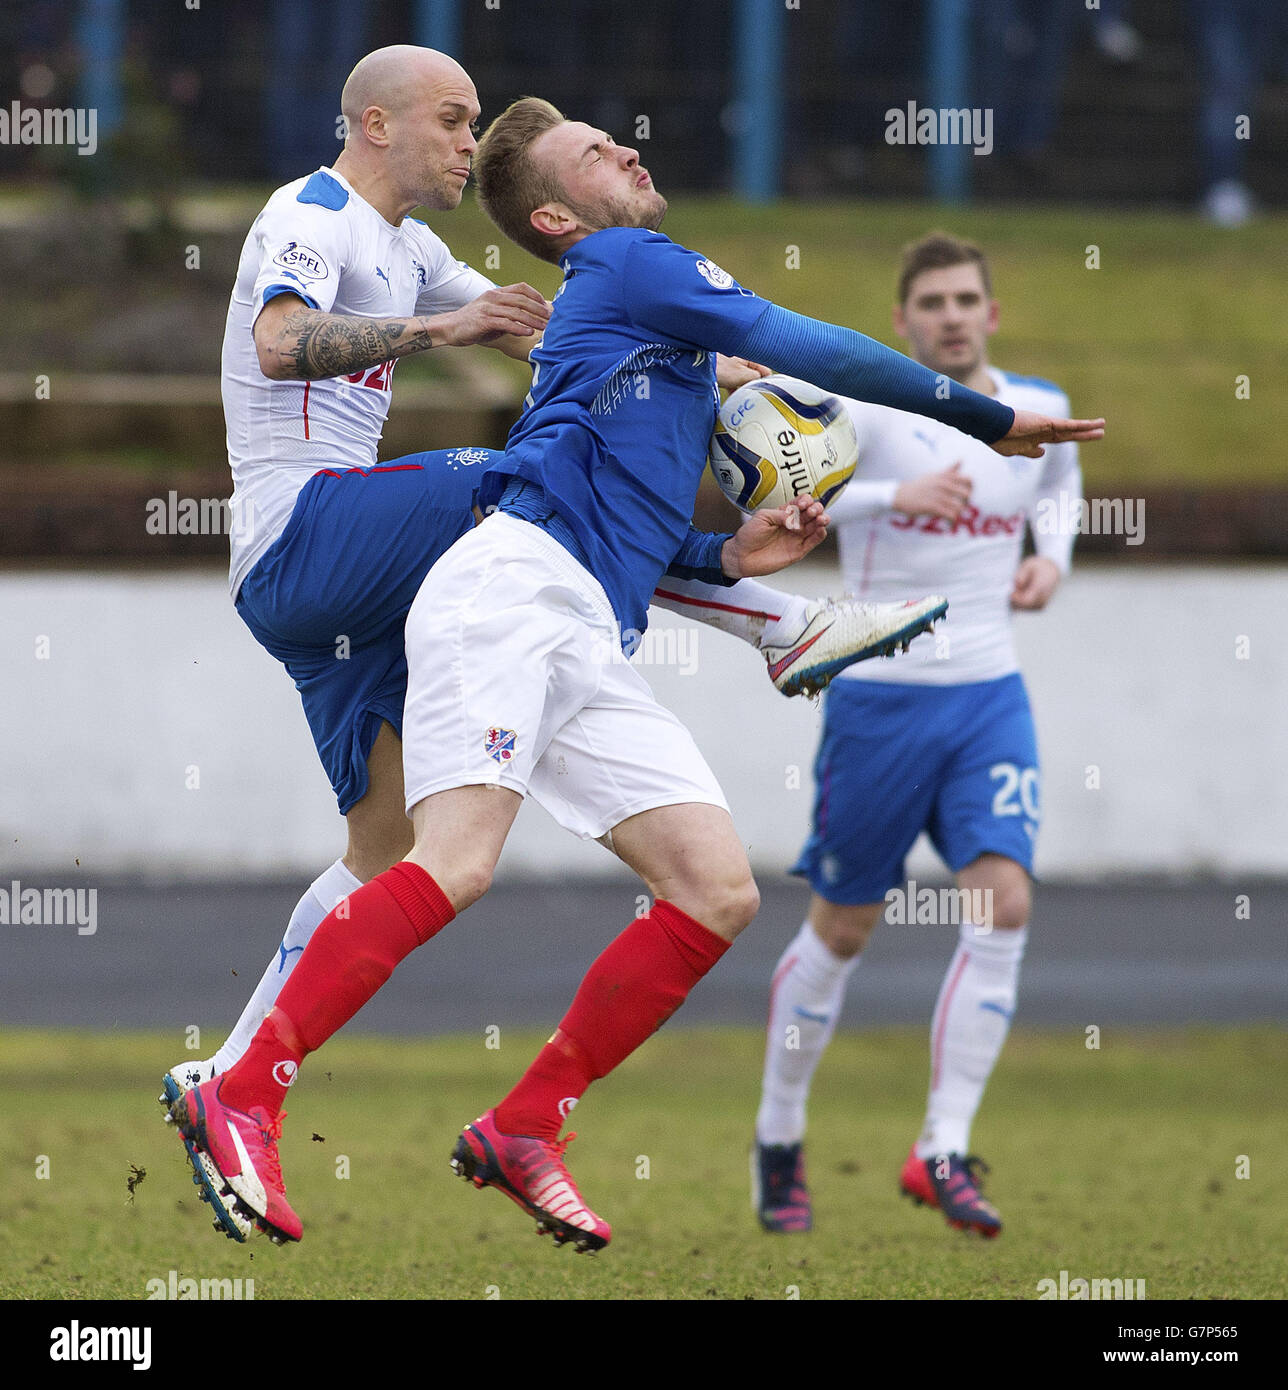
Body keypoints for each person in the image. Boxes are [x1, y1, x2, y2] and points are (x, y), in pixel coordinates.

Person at [166, 100, 1102, 1252]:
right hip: (505, 594)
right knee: (450, 862)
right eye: (595, 152)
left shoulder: (627, 324)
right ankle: (244, 1087)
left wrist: (722, 553)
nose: (627, 148)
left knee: (716, 890)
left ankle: (522, 1124)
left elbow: (621, 501)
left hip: (584, 617)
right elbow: (808, 340)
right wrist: (980, 413)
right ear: (558, 215)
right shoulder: (625, 261)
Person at [752, 231, 1083, 1239]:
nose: (948, 315)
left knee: (1004, 901)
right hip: (879, 697)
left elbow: (1059, 486)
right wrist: (896, 493)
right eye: (929, 301)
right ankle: (779, 1135)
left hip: (989, 695)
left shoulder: (1039, 408)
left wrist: (1051, 561)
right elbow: (785, 495)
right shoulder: (864, 412)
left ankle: (941, 1144)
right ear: (900, 322)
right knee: (843, 928)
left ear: (990, 312)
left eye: (964, 299)